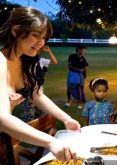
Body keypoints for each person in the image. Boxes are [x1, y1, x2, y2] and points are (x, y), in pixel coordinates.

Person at [0, 7, 80, 161]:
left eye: (44, 37)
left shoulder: (26, 60)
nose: (41, 42)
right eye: (35, 35)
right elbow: (2, 118)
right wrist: (50, 141)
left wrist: (66, 119)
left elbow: (36, 94)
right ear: (16, 31)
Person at [20, 45, 58, 122]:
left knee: (40, 112)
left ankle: (37, 128)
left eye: (37, 50)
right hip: (28, 90)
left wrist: (49, 52)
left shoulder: (41, 61)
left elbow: (54, 62)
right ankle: (27, 130)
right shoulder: (24, 61)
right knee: (29, 114)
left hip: (38, 89)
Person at [65, 45, 88, 109]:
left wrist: (84, 75)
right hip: (72, 73)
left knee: (79, 88)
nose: (83, 51)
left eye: (84, 50)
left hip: (80, 75)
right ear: (78, 50)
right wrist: (78, 69)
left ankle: (78, 104)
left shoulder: (83, 58)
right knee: (69, 88)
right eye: (82, 50)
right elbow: (69, 66)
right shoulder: (72, 56)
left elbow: (85, 67)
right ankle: (68, 101)